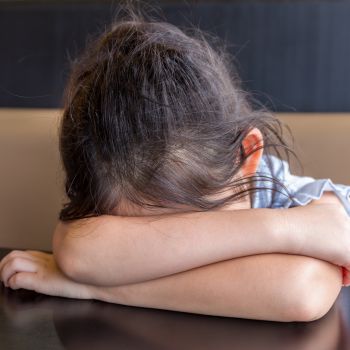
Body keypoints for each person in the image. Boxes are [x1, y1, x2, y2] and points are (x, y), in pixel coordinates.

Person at [1, 7, 350, 322]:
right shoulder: (307, 224)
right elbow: (79, 249)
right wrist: (285, 229)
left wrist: (102, 287)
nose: (174, 247)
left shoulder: (313, 203)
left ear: (246, 155)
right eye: (141, 234)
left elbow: (298, 291)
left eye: (189, 224)